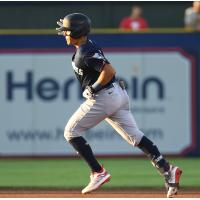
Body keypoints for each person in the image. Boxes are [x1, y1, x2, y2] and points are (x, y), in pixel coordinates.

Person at [56, 13, 182, 198]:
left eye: (66, 31)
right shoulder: (87, 46)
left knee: (71, 132)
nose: (64, 34)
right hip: (117, 94)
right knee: (135, 137)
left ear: (76, 31)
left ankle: (98, 172)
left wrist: (94, 87)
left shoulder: (84, 51)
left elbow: (109, 70)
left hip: (104, 96)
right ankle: (167, 169)